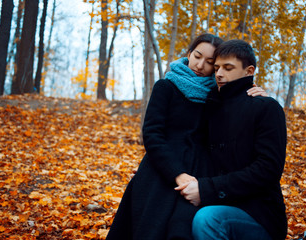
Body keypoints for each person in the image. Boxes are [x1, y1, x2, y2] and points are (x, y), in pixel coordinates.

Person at [106, 34, 267, 240]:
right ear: (189, 54)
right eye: (197, 56)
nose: (200, 65)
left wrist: (259, 96)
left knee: (182, 229)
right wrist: (177, 173)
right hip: (162, 170)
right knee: (148, 229)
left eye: (209, 62)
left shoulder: (217, 96)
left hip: (199, 175)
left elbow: (234, 121)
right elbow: (152, 135)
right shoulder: (165, 87)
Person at [176, 39, 287, 240]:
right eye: (216, 67)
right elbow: (187, 144)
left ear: (249, 71)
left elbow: (268, 169)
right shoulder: (211, 106)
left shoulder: (266, 108)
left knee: (208, 219)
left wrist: (207, 188)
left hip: (259, 215)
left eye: (228, 68)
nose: (219, 74)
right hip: (216, 203)